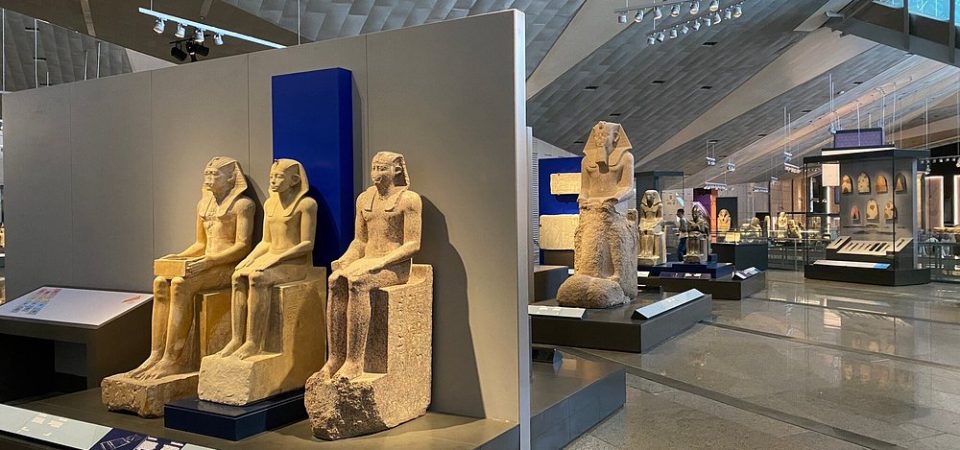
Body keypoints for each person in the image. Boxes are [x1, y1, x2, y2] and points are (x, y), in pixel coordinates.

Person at [129, 157, 254, 380]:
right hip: (207, 262)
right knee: (160, 283)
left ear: (231, 178)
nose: (209, 178)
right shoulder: (203, 205)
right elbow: (200, 244)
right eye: (207, 173)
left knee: (180, 284)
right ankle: (156, 354)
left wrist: (210, 261)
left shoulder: (242, 205)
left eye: (215, 174)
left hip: (226, 266)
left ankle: (172, 359)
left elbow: (242, 247)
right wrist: (179, 256)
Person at [319, 151, 422, 380]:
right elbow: (360, 241)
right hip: (369, 260)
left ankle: (354, 362)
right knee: (335, 280)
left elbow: (413, 244)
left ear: (396, 170)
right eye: (374, 168)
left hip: (396, 266)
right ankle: (335, 358)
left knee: (358, 282)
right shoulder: (364, 199)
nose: (376, 173)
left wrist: (381, 261)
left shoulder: (409, 200)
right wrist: (345, 259)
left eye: (382, 168)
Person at [217, 159, 317, 360]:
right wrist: (249, 259)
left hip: (295, 263)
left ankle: (253, 342)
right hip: (273, 257)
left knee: (257, 278)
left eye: (279, 177)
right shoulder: (270, 204)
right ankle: (236, 339)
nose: (273, 181)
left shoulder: (306, 205)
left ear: (294, 180)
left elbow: (307, 244)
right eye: (272, 176)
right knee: (237, 276)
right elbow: (265, 242)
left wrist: (275, 259)